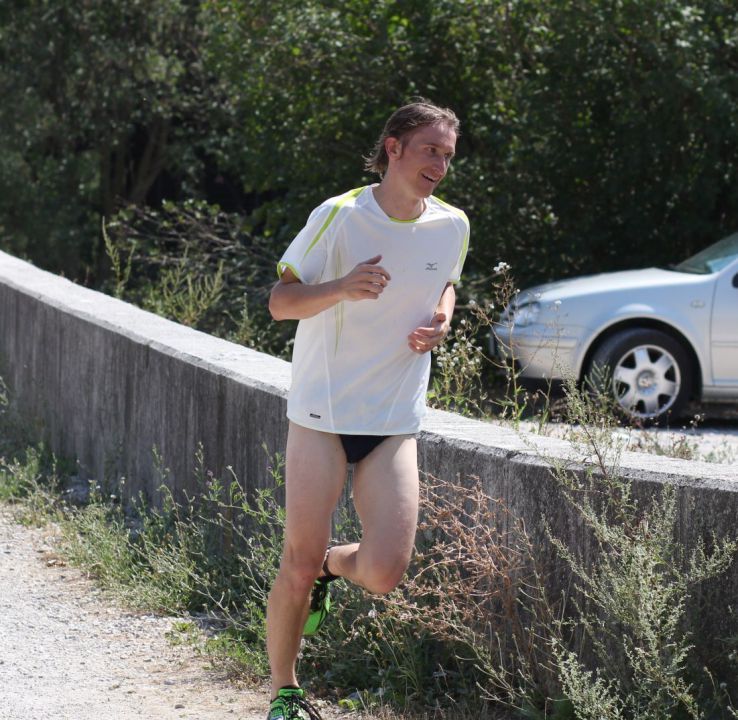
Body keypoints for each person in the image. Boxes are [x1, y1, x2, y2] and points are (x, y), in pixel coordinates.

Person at [265, 99, 469, 720]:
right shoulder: (341, 215)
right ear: (394, 148)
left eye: (448, 155)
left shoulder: (452, 224)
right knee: (295, 564)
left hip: (394, 418)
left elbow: (446, 284)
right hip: (324, 416)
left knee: (383, 572)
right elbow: (280, 301)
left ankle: (335, 565)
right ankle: (284, 692)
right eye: (430, 150)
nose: (440, 164)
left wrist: (442, 321)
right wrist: (343, 286)